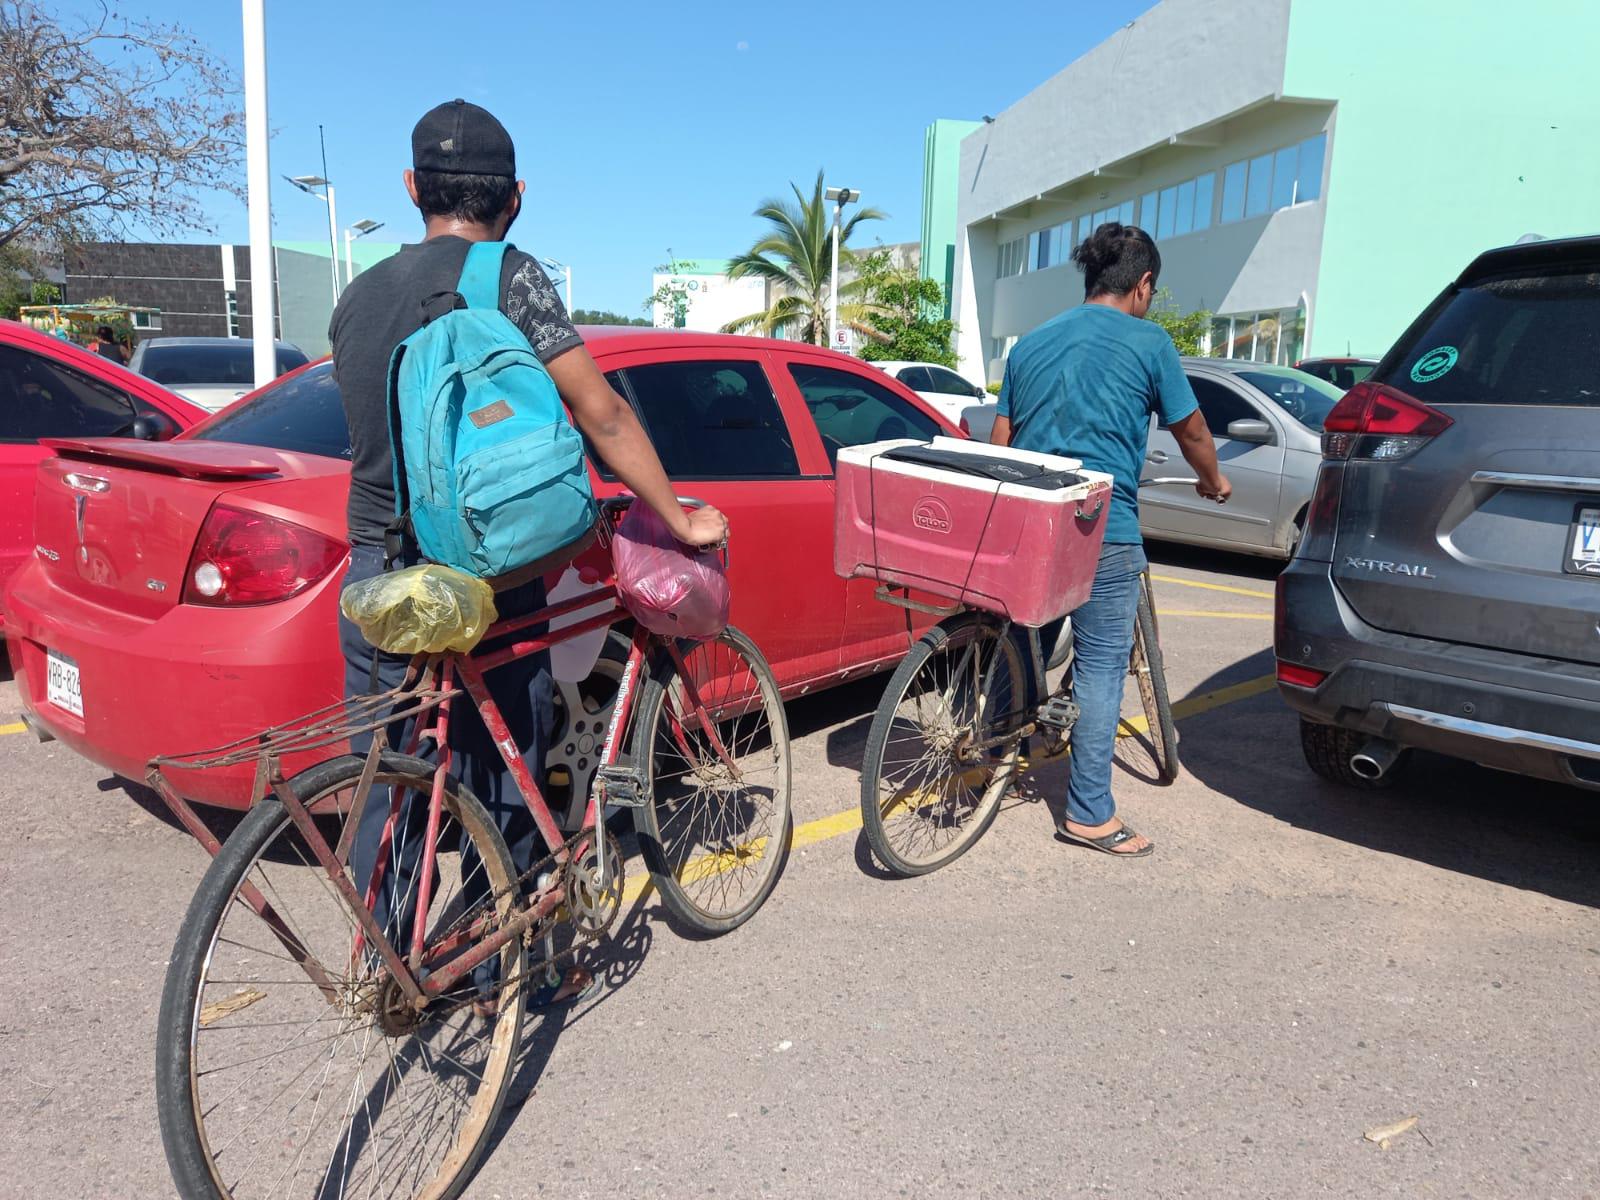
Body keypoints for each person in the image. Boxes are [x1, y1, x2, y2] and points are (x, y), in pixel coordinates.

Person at [329, 99, 726, 1007]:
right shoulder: (511, 276)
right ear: (515, 197)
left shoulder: (358, 295)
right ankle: (512, 963)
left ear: (409, 189)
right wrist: (682, 516)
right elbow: (602, 413)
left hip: (377, 573)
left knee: (388, 782)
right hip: (482, 577)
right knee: (506, 757)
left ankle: (388, 968)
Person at [990, 222, 1229, 859]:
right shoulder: (1150, 343)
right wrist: (1213, 481)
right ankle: (1090, 813)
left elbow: (1000, 441)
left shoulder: (1030, 344)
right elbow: (1193, 428)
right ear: (1143, 284)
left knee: (1021, 640)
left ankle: (990, 751)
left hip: (1029, 519)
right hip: (1103, 525)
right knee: (1100, 670)